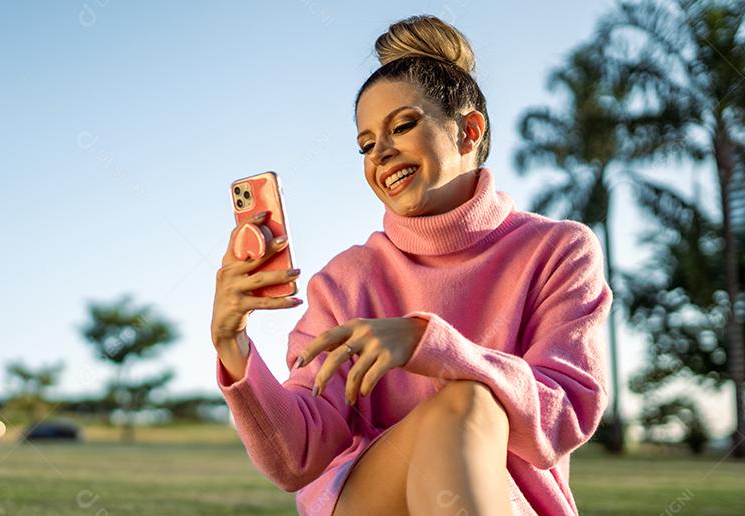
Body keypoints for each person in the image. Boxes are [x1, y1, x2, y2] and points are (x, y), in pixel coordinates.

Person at [210, 14, 613, 516]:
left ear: (468, 131)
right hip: (370, 499)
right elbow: (298, 458)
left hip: (506, 502)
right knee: (466, 401)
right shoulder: (345, 281)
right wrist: (233, 348)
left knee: (470, 401)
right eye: (364, 144)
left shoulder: (558, 250)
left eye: (402, 125)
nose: (380, 152)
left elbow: (565, 413)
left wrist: (431, 345)